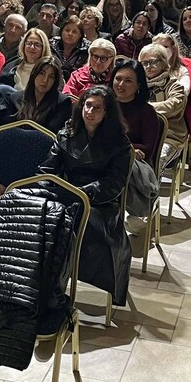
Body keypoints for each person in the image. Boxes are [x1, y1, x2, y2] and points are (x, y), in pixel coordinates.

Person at [38, 85, 133, 306]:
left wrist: (82, 194)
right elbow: (46, 170)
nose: (90, 111)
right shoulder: (66, 133)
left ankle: (55, 291)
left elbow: (114, 183)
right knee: (40, 219)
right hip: (65, 195)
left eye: (97, 108)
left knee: (72, 228)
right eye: (87, 105)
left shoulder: (119, 143)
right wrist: (48, 189)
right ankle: (41, 287)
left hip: (99, 203)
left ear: (107, 112)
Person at [139, 43, 188, 169]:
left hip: (169, 137)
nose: (148, 67)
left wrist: (143, 108)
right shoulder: (137, 84)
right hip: (140, 135)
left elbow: (174, 105)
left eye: (153, 62)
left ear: (164, 62)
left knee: (156, 161)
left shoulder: (174, 85)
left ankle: (153, 182)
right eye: (144, 63)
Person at [7, 56, 72, 133]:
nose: (45, 80)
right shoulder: (15, 98)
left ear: (55, 81)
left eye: (51, 77)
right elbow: (7, 130)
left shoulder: (63, 103)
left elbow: (51, 134)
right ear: (34, 74)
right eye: (42, 73)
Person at [50, 16, 90, 81]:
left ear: (80, 35)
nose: (70, 34)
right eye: (67, 30)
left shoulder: (87, 50)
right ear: (61, 31)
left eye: (74, 32)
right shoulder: (51, 45)